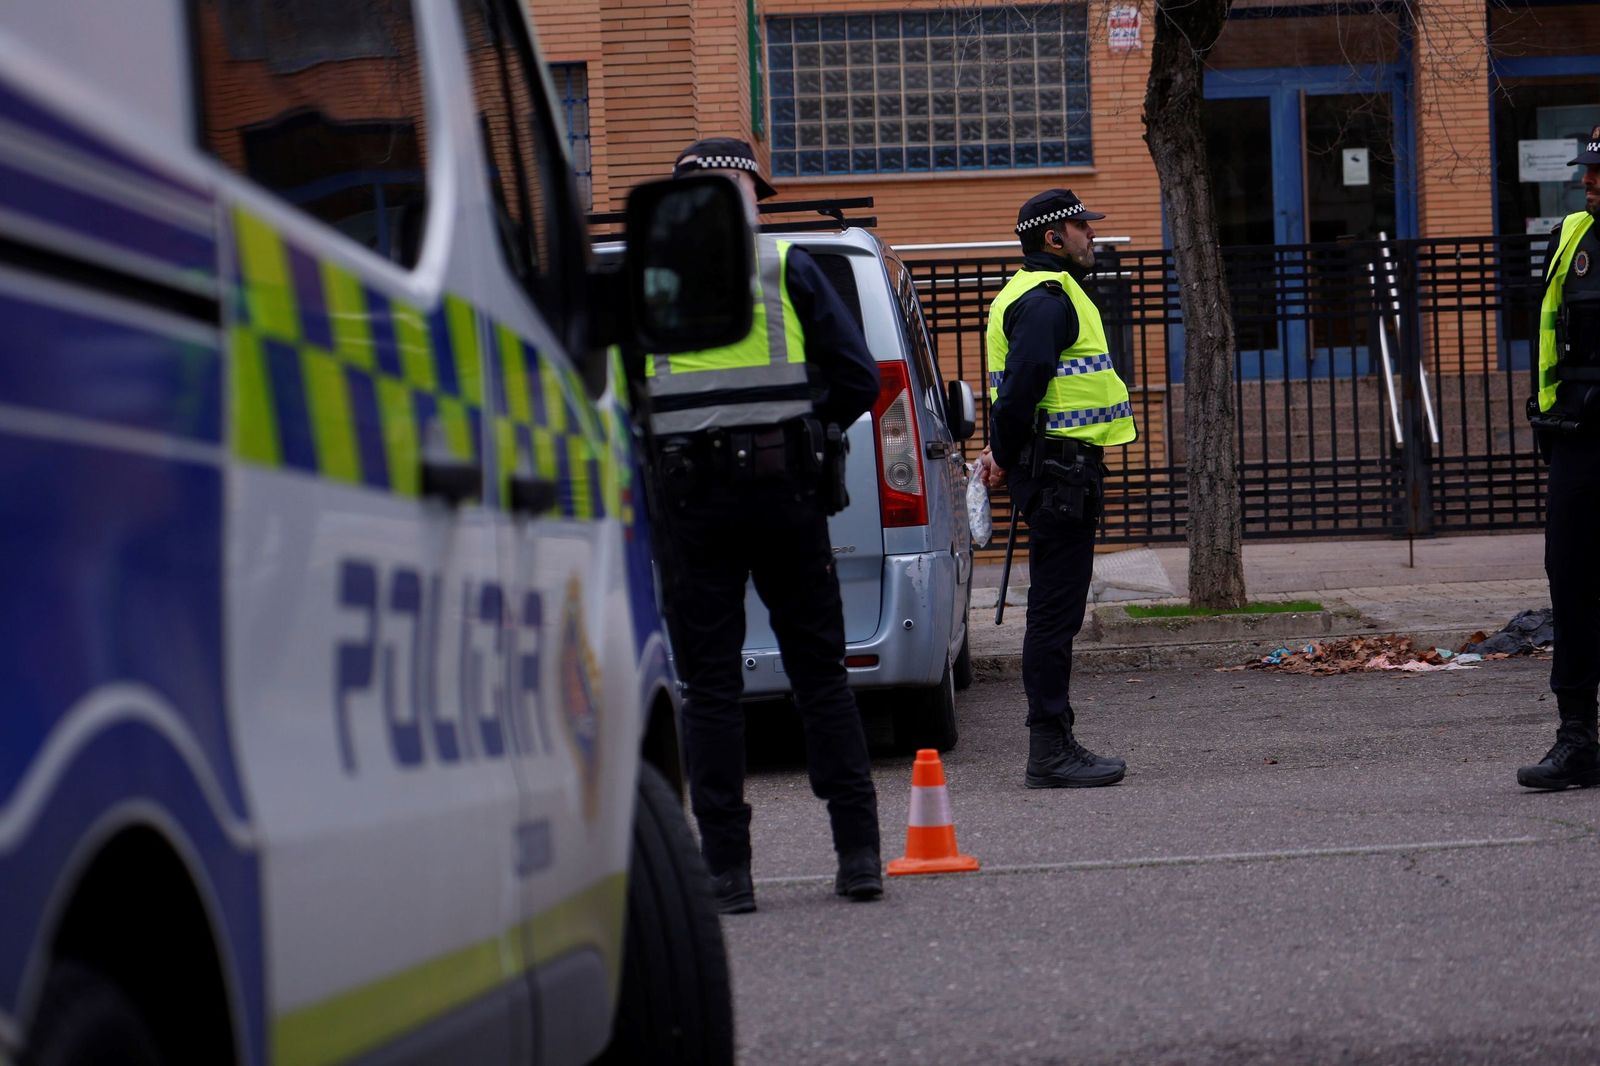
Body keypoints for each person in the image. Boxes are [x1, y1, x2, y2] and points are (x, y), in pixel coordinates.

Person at [643, 137, 884, 910]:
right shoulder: (785, 266)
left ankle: (727, 874)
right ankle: (859, 859)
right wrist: (807, 434)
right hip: (786, 496)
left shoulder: (647, 283)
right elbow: (856, 377)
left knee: (710, 688)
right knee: (820, 679)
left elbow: (616, 402)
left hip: (690, 504)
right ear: (748, 195)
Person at [975, 189, 1137, 789]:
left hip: (1056, 468)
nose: (1090, 235)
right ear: (1052, 238)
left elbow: (1022, 395)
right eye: (1080, 227)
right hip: (1058, 473)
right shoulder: (1045, 301)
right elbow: (1020, 391)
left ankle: (1055, 740)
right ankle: (1049, 747)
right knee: (1053, 614)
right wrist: (1005, 453)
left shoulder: (1049, 294)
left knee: (1056, 610)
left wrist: (1001, 452)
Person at [1519, 126, 1600, 790]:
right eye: (1587, 170)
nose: (1588, 180)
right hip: (1578, 433)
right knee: (1568, 582)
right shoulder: (1572, 233)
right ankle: (1577, 738)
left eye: (1599, 172)